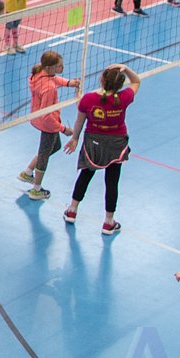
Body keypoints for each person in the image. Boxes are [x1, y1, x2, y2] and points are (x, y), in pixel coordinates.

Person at [63, 64, 141, 235]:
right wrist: (126, 68)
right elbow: (136, 81)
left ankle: (72, 211)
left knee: (86, 174)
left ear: (102, 80)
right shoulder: (124, 97)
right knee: (112, 181)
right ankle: (108, 222)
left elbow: (79, 121)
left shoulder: (88, 99)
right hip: (116, 143)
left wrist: (75, 138)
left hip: (94, 142)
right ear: (119, 85)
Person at [19, 50, 80, 201]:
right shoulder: (49, 88)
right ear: (50, 67)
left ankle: (27, 172)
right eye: (59, 66)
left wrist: (68, 83)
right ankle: (36, 190)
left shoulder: (39, 73)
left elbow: (53, 79)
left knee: (55, 146)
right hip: (48, 124)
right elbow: (46, 115)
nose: (62, 68)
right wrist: (63, 129)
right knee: (44, 155)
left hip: (37, 118)